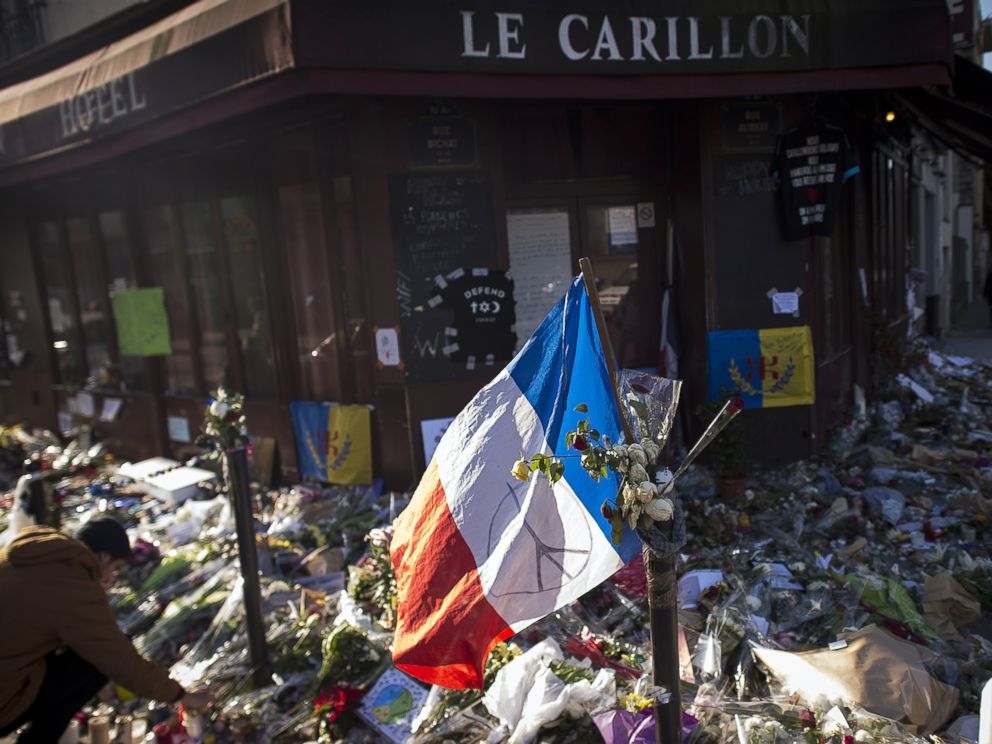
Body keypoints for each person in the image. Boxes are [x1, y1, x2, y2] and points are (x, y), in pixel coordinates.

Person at [0, 518, 212, 742]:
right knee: (94, 664)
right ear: (103, 557)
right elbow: (119, 659)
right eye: (116, 568)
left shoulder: (30, 555)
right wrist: (181, 695)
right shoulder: (73, 585)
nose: (112, 577)